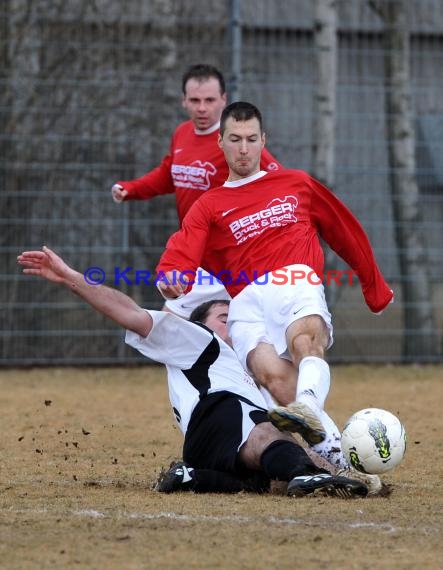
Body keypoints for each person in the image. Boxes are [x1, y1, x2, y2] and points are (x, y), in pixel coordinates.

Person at [17, 246, 369, 499]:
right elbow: (130, 313)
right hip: (221, 414)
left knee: (261, 479)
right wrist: (72, 278)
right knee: (269, 433)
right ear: (201, 324)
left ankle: (193, 477)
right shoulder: (197, 340)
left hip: (205, 445)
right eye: (223, 316)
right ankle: (314, 477)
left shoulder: (240, 364)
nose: (231, 321)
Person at [155, 101, 394, 469]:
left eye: (252, 139)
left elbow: (344, 229)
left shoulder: (295, 182)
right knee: (277, 383)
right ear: (220, 142)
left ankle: (311, 410)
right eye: (235, 139)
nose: (244, 148)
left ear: (264, 140)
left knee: (305, 342)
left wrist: (374, 289)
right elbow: (183, 247)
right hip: (246, 301)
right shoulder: (210, 204)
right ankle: (345, 467)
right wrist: (173, 275)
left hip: (294, 280)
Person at [111, 64, 282, 319]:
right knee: (181, 328)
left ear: (223, 100)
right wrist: (132, 189)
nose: (202, 108)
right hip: (197, 254)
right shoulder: (182, 133)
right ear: (183, 101)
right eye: (195, 100)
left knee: (180, 325)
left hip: (232, 256)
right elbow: (170, 174)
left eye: (210, 100)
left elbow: (281, 184)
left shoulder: (234, 142)